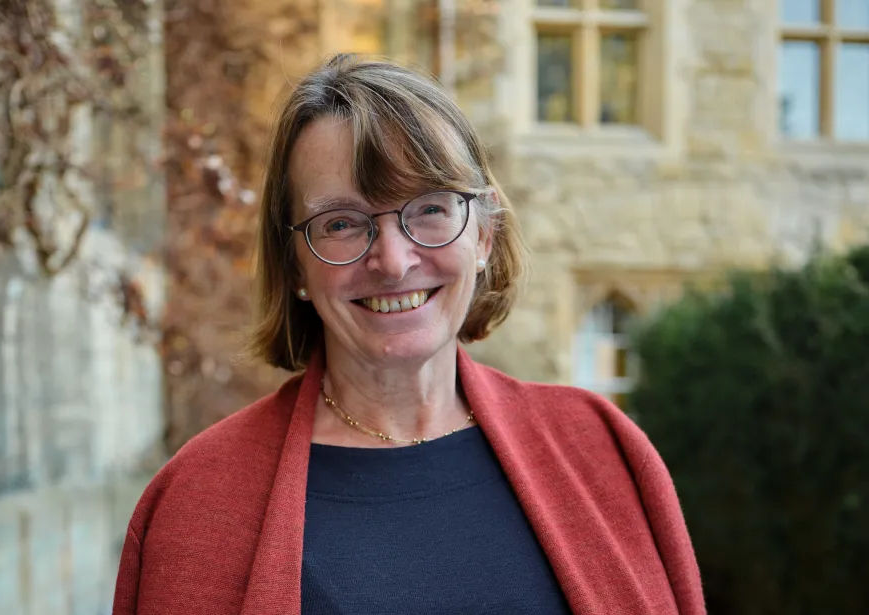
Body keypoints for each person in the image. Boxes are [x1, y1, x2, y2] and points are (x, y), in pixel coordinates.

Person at [112, 54, 706, 615]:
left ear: (484, 237)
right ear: (295, 264)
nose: (393, 262)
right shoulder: (196, 503)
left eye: (428, 209)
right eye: (342, 223)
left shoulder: (604, 451)